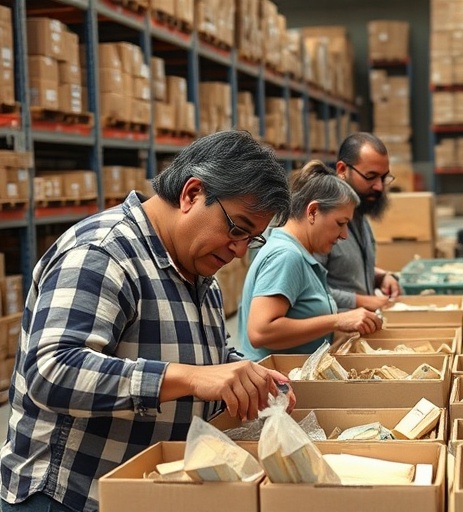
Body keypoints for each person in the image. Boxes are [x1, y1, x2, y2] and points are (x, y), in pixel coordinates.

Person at [0, 130, 297, 512]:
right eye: (237, 229)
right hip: (68, 497)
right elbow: (50, 370)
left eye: (251, 239)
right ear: (192, 194)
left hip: (139, 492)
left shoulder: (198, 273)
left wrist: (248, 377)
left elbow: (211, 360)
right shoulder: (103, 253)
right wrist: (190, 377)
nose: (239, 251)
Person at [239, 161, 383, 361]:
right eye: (340, 223)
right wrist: (338, 320)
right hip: (275, 385)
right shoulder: (286, 256)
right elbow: (261, 331)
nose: (344, 235)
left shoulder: (301, 254)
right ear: (313, 211)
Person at [315, 132, 401, 311]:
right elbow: (310, 291)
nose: (379, 186)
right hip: (336, 334)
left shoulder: (359, 215)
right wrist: (361, 301)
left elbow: (348, 271)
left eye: (384, 178)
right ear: (342, 170)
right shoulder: (321, 223)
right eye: (370, 176)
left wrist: (381, 277)